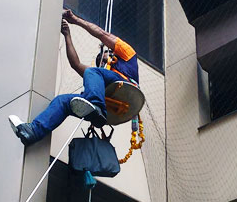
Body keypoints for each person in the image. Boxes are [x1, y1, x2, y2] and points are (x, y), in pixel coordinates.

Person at [8, 10, 139, 146]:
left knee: (92, 72)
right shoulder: (99, 79)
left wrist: (75, 20)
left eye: (104, 55)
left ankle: (96, 107)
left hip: (125, 89)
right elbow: (75, 64)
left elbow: (102, 34)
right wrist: (67, 35)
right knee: (62, 101)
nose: (101, 61)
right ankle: (33, 132)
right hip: (104, 104)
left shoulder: (127, 54)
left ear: (112, 52)